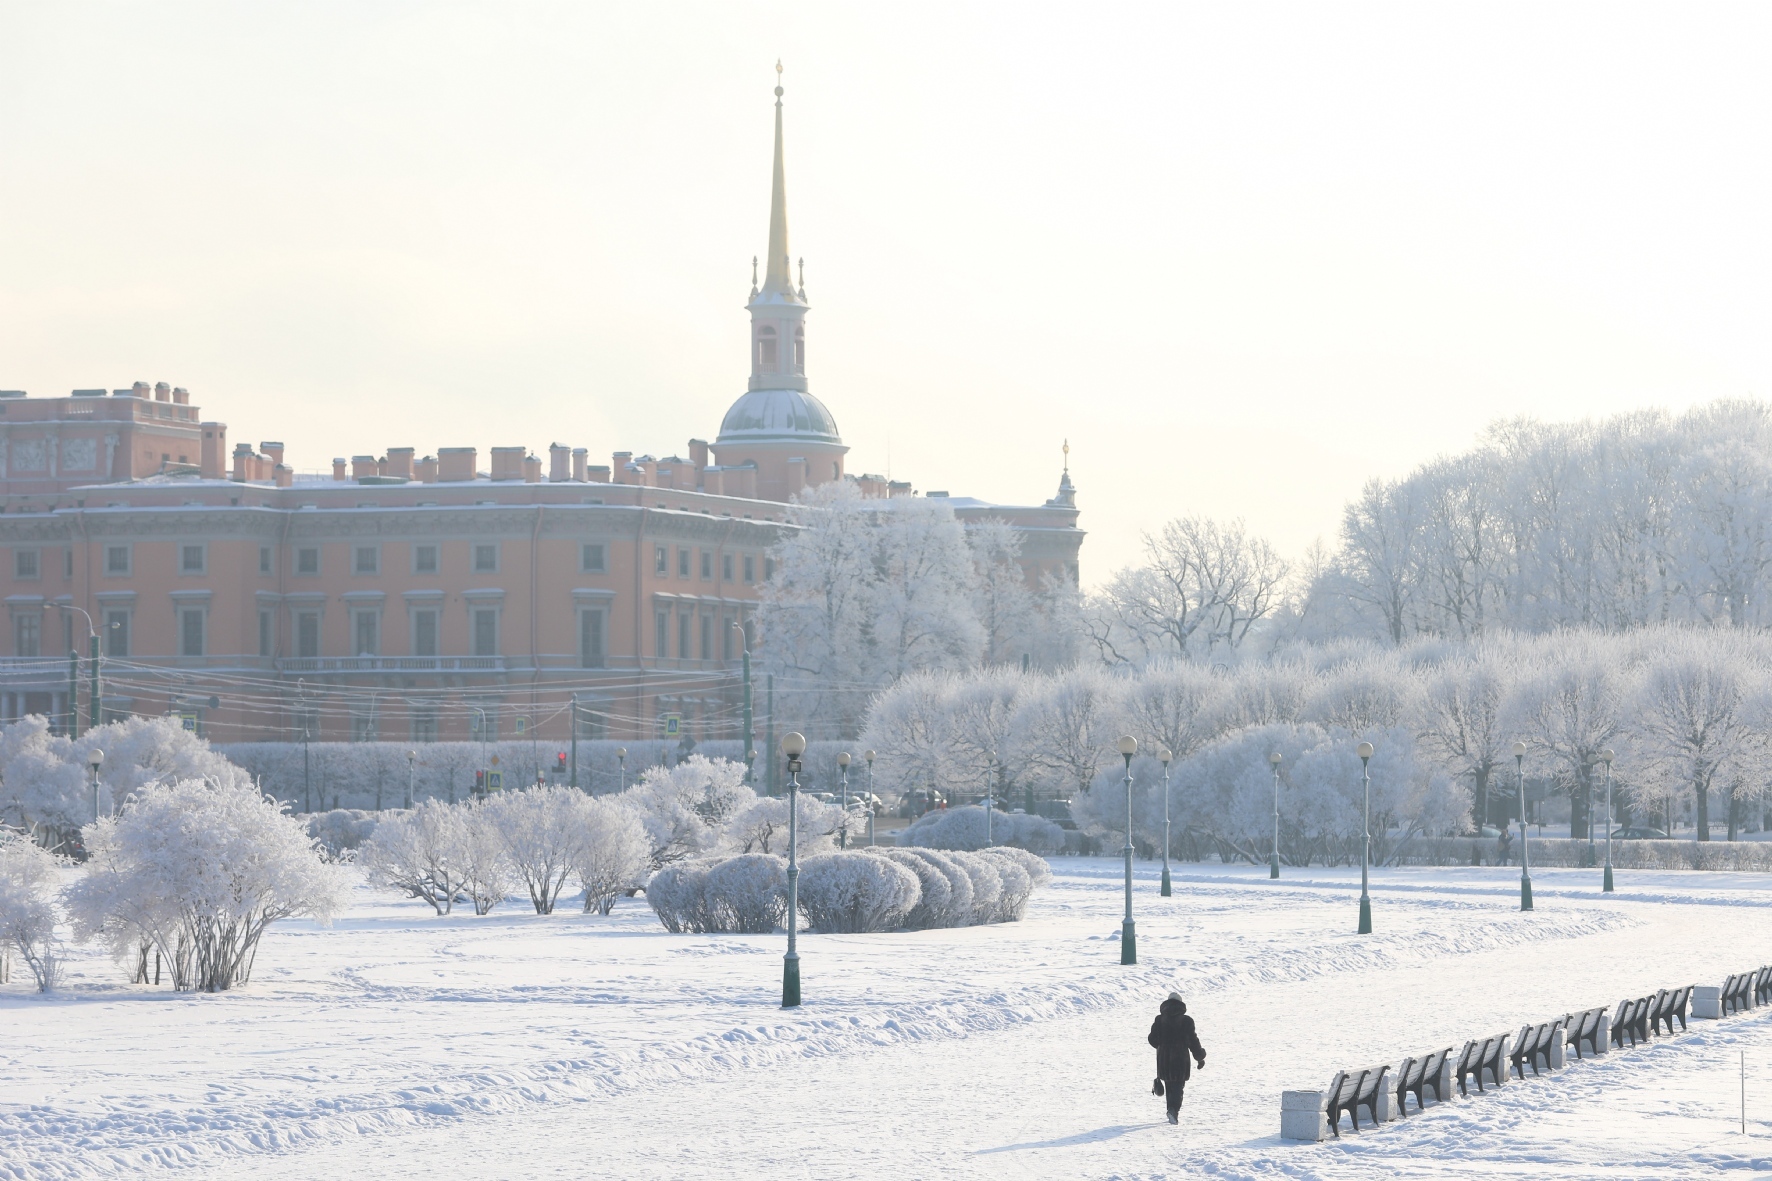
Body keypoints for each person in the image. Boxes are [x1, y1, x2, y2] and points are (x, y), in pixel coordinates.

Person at [1147, 991, 1206, 1125]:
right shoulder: (1186, 1021)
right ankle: (1174, 1111)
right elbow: (1193, 1041)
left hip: (1164, 1060)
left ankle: (1170, 1110)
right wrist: (1200, 1057)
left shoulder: (1159, 1020)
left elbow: (1152, 1039)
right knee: (1178, 1087)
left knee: (1169, 1085)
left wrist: (1160, 1043)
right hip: (1180, 1059)